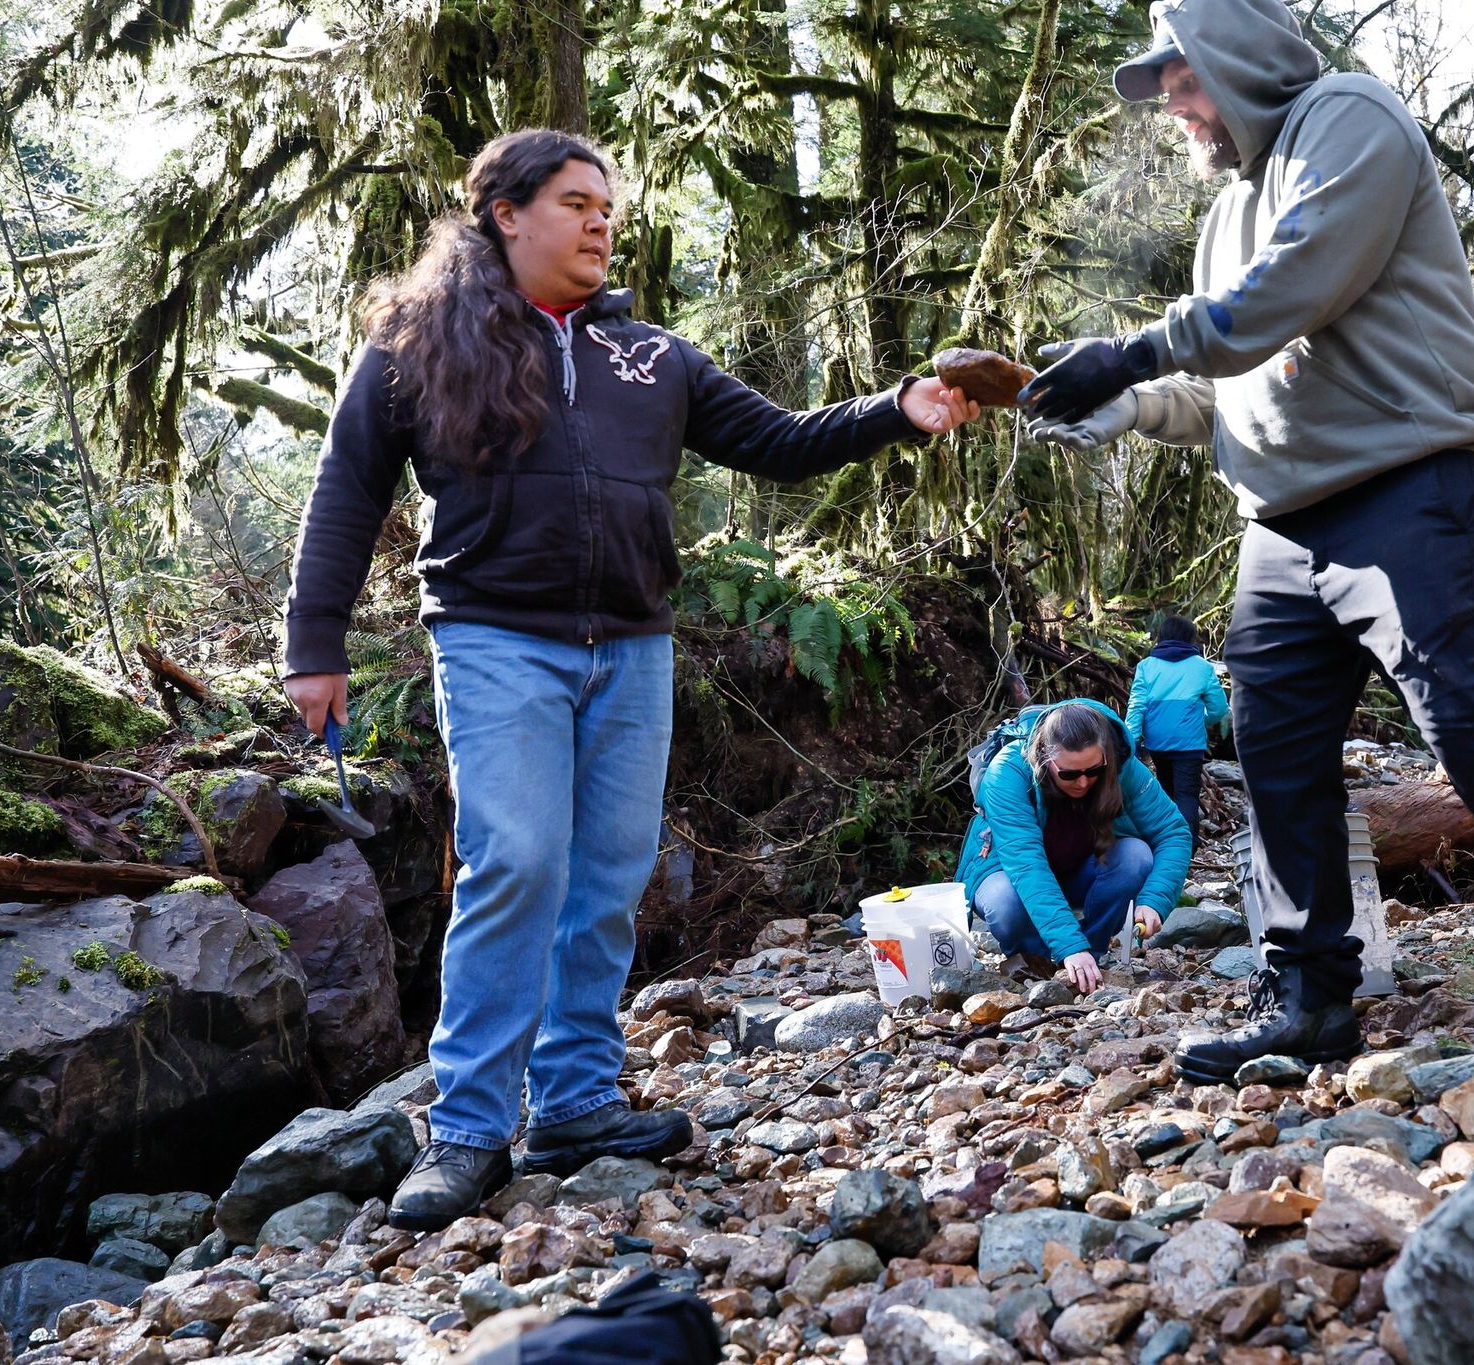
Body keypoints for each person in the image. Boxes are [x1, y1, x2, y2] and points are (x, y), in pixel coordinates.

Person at [1018, 0, 1474, 1092]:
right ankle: (1307, 996)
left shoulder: (1345, 121)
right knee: (1275, 761)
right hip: (1279, 524)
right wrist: (1130, 407)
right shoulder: (1226, 214)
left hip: (1406, 488)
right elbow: (1226, 388)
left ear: (1237, 59)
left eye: (1183, 81)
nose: (1174, 109)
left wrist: (1125, 353)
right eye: (1164, 93)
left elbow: (1286, 292)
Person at [281, 128, 976, 1229]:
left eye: (607, 204)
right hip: (495, 640)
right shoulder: (418, 342)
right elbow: (347, 488)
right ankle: (465, 1130)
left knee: (606, 878)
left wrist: (897, 409)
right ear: (505, 214)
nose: (601, 220)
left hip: (633, 647)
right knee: (515, 863)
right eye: (574, 202)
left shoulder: (653, 357)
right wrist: (312, 644)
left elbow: (783, 442)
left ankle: (572, 1103)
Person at [955, 700, 1193, 993]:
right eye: (1069, 774)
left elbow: (1173, 832)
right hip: (1007, 874)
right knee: (1005, 903)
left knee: (1135, 856)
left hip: (1078, 867)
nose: (1083, 783)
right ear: (1043, 758)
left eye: (1093, 771)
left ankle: (1090, 958)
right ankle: (1039, 967)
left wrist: (1155, 898)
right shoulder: (1006, 773)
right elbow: (1028, 867)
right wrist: (1068, 945)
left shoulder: (1121, 765)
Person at [1124, 612, 1230, 839]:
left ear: (1161, 637)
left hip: (1157, 741)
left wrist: (1131, 738)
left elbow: (1136, 705)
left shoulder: (1146, 666)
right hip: (1189, 743)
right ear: (1190, 638)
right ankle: (1187, 846)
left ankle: (1167, 841)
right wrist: (1201, 721)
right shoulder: (1202, 667)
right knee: (1187, 795)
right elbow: (1220, 708)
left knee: (1166, 790)